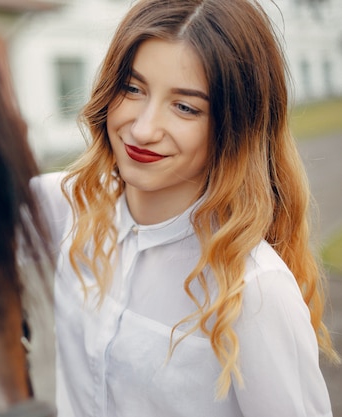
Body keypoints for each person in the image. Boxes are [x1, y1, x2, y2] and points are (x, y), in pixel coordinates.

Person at [31, 0, 340, 415]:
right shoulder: (62, 207)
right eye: (133, 88)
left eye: (185, 107)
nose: (142, 129)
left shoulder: (255, 292)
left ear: (235, 127)